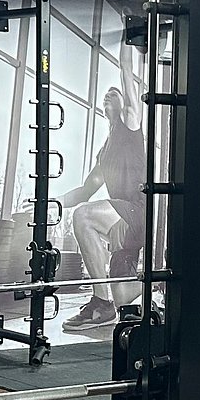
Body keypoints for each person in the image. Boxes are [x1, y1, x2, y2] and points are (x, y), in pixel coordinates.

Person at [60, 84, 145, 330]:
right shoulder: (104, 153)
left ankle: (100, 303)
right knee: (122, 297)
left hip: (137, 213)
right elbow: (85, 191)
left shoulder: (130, 128)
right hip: (119, 222)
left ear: (124, 103)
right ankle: (162, 282)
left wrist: (127, 59)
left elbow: (128, 81)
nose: (108, 93)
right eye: (106, 93)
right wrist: (53, 202)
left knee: (83, 216)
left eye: (114, 93)